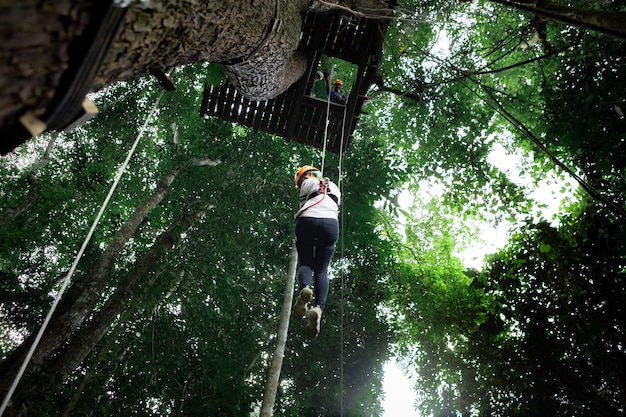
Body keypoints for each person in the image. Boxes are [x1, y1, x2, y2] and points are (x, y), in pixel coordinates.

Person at [292, 165, 341, 338]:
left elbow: (305, 204)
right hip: (330, 224)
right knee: (321, 269)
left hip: (307, 220)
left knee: (306, 262)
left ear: (306, 176)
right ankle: (319, 308)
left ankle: (304, 288)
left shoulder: (307, 185)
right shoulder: (335, 187)